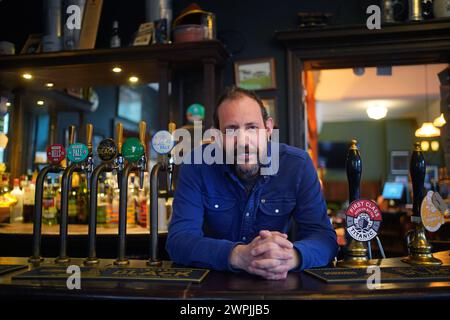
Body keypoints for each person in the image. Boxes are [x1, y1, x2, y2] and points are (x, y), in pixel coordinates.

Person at [166, 86, 338, 280]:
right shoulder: (195, 165)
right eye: (231, 130)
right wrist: (238, 255)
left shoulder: (298, 165)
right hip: (214, 288)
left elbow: (325, 238)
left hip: (280, 282)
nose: (243, 141)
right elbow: (178, 241)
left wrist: (291, 256)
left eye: (252, 127)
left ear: (268, 129)